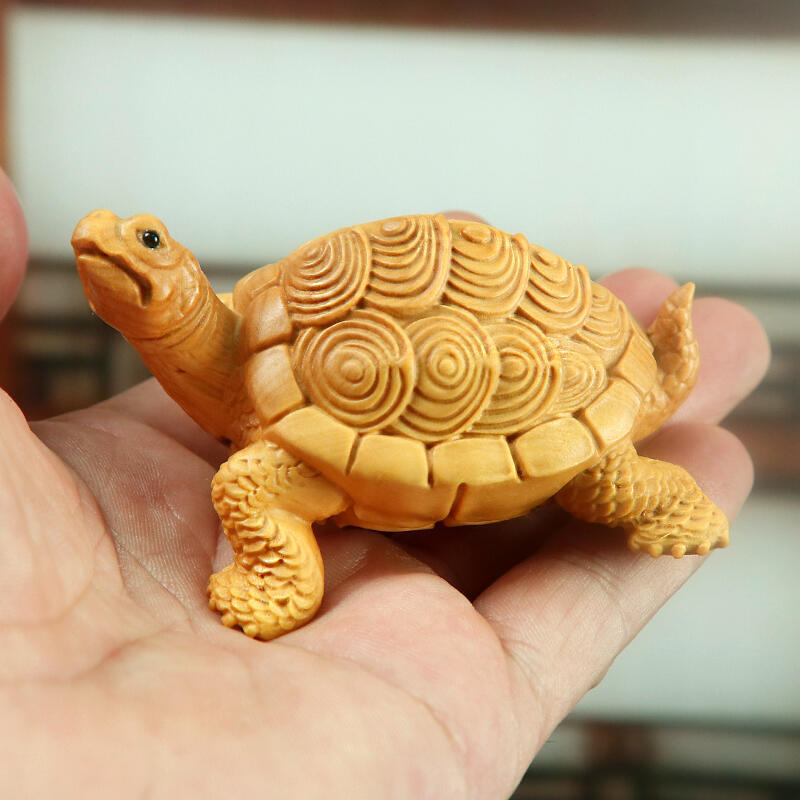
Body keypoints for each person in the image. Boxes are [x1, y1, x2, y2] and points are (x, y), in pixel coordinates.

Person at [0, 168, 769, 798]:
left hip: (538, 384)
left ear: (185, 271)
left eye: (147, 240)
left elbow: (259, 470)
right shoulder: (263, 330)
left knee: (255, 483)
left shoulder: (261, 387)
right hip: (414, 364)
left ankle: (282, 578)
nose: (113, 241)